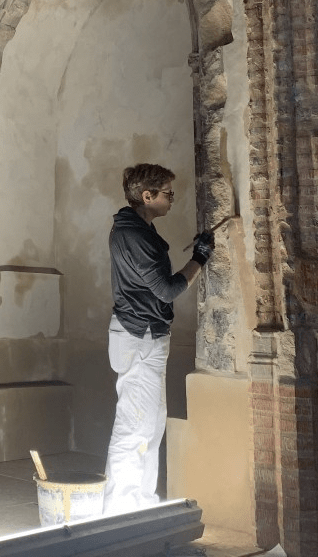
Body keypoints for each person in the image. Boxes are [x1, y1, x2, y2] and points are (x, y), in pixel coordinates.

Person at [103, 163, 214, 516]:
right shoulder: (134, 234)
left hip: (146, 335)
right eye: (167, 193)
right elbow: (166, 290)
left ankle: (141, 505)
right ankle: (119, 510)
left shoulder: (138, 230)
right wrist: (200, 258)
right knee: (134, 425)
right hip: (138, 336)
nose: (172, 199)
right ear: (146, 196)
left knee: (150, 424)